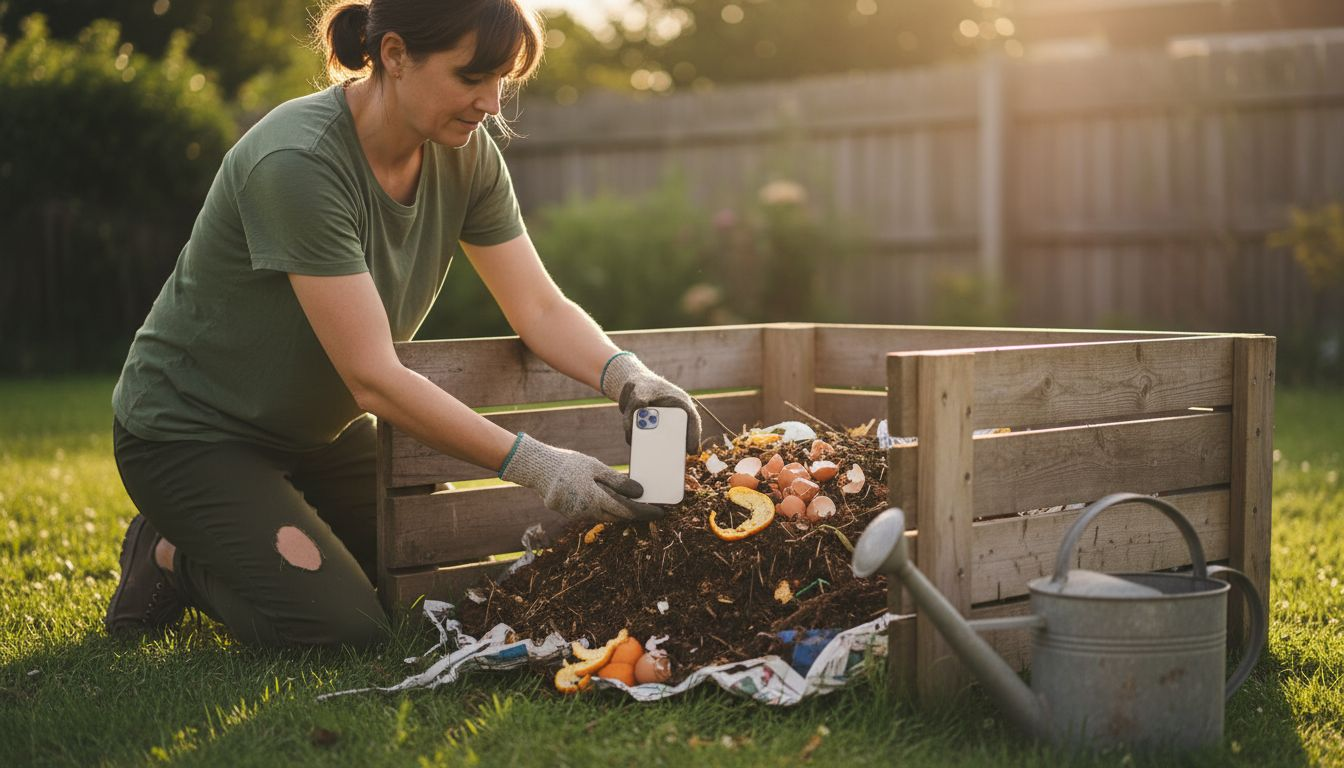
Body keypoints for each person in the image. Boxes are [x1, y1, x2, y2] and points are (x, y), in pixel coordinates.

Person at [104, 0, 702, 647]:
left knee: (434, 589)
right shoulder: (298, 161)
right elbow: (372, 378)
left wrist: (627, 375)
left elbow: (539, 308)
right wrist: (540, 465)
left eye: (503, 79)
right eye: (472, 78)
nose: (492, 104)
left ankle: (242, 531)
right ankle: (170, 554)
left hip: (318, 438)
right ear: (393, 55)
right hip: (192, 433)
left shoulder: (466, 156)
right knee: (342, 627)